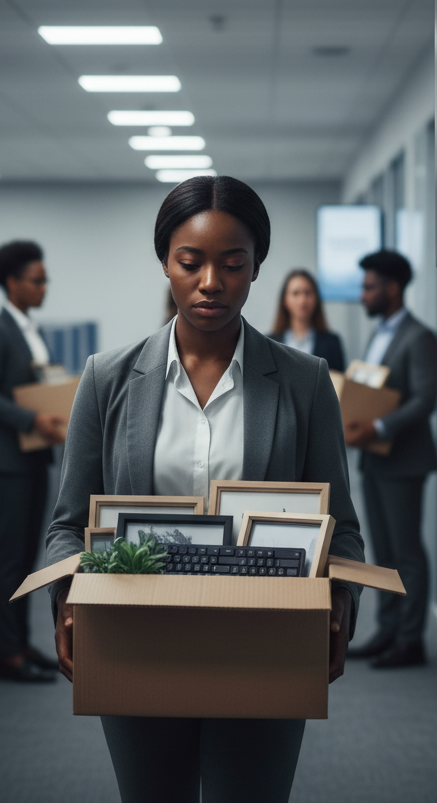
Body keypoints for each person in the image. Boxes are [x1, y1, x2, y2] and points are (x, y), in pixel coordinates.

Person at [45, 175, 364, 803]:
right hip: (136, 639)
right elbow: (68, 522)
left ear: (256, 267)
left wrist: (341, 604)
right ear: (166, 262)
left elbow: (341, 525)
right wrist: (67, 599)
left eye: (233, 263)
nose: (211, 282)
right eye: (190, 262)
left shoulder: (304, 381)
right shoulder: (107, 379)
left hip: (266, 641)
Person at [0, 240, 66, 683]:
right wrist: (32, 417)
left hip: (32, 454)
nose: (45, 287)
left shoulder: (32, 329)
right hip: (5, 458)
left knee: (27, 555)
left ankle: (22, 643)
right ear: (12, 283)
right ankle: (6, 655)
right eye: (37, 280)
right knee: (8, 557)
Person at [344, 249, 437, 669]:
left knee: (406, 552)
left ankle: (410, 640)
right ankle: (387, 630)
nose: (362, 296)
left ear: (393, 288)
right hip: (374, 458)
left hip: (403, 460)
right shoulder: (380, 333)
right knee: (381, 551)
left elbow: (424, 400)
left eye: (369, 287)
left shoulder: (419, 337)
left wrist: (378, 428)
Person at [268, 269, 345, 372]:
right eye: (296, 293)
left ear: (316, 298)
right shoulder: (269, 343)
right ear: (285, 300)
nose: (302, 300)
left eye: (308, 293)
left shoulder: (332, 343)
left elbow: (338, 384)